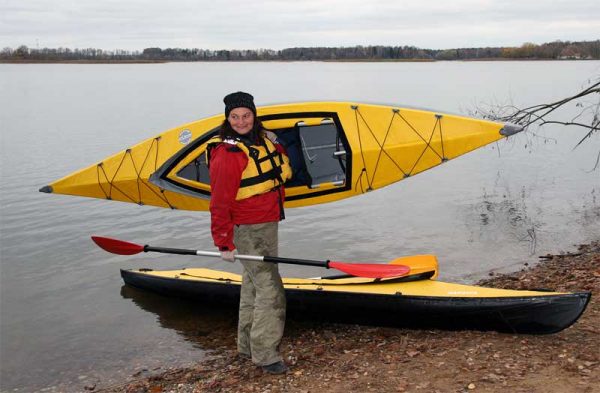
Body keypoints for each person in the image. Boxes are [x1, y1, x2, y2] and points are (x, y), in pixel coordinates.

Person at [208, 91, 292, 375]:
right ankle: (266, 355)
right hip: (247, 229)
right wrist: (223, 243)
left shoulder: (259, 141)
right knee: (271, 290)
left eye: (246, 116)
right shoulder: (227, 155)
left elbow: (281, 164)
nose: (241, 121)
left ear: (254, 116)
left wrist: (275, 140)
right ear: (227, 119)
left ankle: (246, 346)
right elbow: (219, 203)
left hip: (267, 223)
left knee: (252, 283)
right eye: (235, 117)